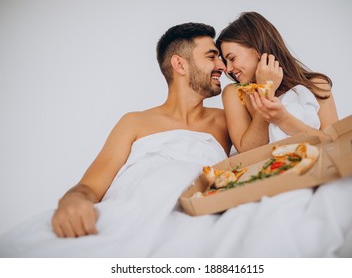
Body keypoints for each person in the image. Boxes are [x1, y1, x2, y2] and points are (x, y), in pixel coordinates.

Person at [49, 22, 231, 238]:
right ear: (180, 65)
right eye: (212, 57)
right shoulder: (134, 123)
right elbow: (89, 187)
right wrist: (72, 200)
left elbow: (256, 155)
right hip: (125, 219)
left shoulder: (226, 121)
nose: (223, 66)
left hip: (195, 224)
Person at [216, 12, 339, 153]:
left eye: (231, 58)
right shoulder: (235, 93)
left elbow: (335, 143)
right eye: (226, 62)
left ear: (257, 49)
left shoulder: (317, 85)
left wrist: (283, 120)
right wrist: (265, 92)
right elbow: (247, 150)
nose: (228, 68)